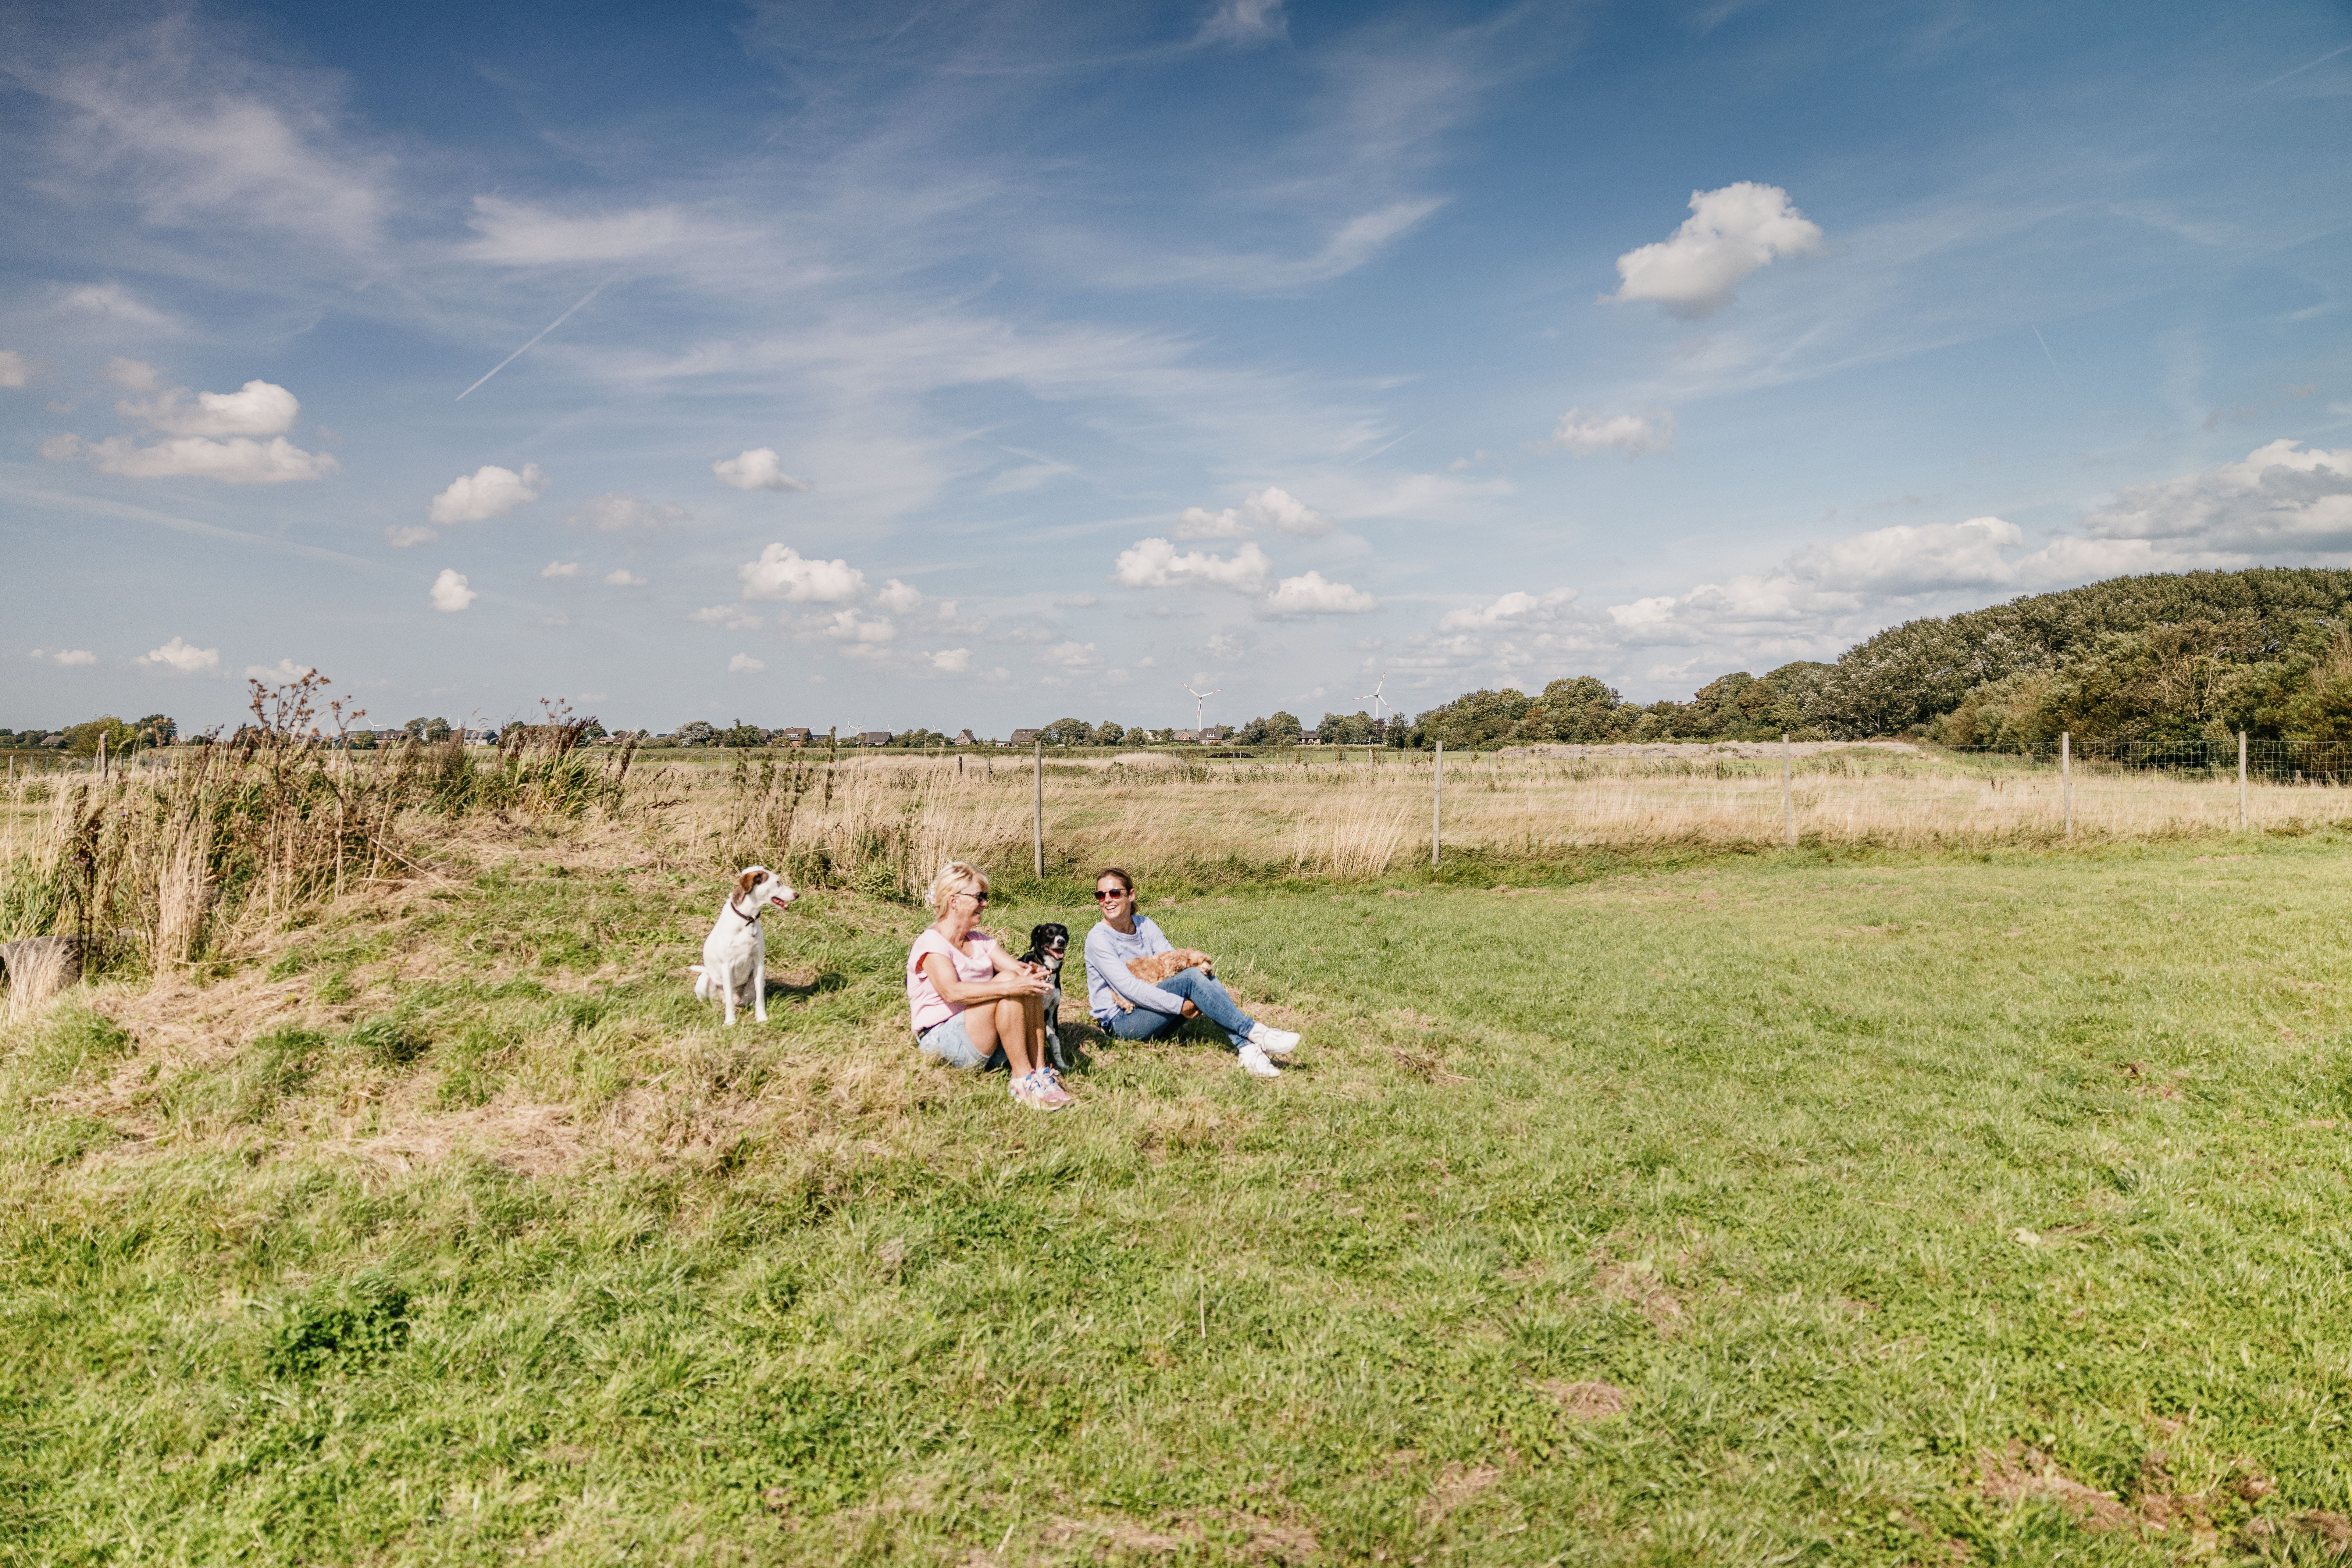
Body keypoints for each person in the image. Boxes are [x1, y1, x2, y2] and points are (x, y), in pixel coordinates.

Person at [1084, 865, 1300, 1078]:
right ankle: (1256, 1034)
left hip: (1154, 1012)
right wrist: (1181, 1005)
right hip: (1122, 1022)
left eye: (1114, 893)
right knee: (1191, 980)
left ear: (1131, 895)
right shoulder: (1099, 938)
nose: (1108, 900)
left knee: (1200, 974)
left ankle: (1249, 1049)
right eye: (1101, 896)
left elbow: (1174, 962)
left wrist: (1186, 994)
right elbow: (1129, 989)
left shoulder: (1145, 925)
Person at [906, 860, 1068, 1110]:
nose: (985, 903)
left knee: (1027, 980)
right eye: (980, 897)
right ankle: (1022, 1079)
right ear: (955, 901)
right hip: (944, 1041)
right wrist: (1008, 987)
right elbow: (952, 992)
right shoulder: (932, 943)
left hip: (987, 1038)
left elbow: (1018, 972)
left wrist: (1032, 973)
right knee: (1010, 982)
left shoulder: (980, 941)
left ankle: (1040, 1072)